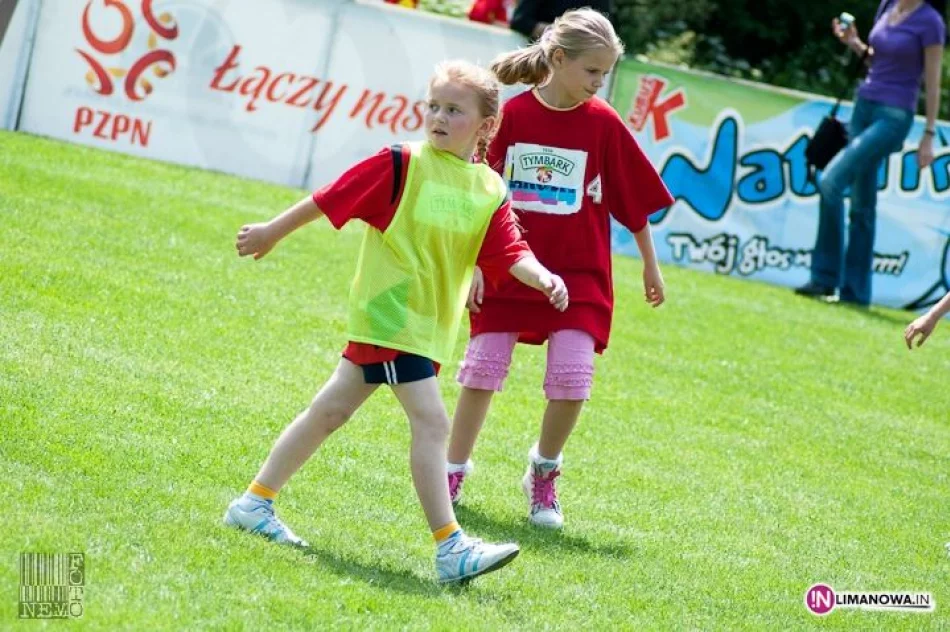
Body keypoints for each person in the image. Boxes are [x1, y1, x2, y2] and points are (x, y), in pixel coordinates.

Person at [223, 60, 569, 584]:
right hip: (390, 315)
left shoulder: (488, 187)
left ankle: (254, 503)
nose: (439, 116)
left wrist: (540, 274)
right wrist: (272, 230)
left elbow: (508, 248)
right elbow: (331, 197)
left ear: (485, 125)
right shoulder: (401, 163)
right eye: (433, 105)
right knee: (432, 424)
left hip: (427, 326)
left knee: (329, 412)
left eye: (454, 109)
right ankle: (450, 546)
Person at [445, 8, 673, 529]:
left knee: (572, 378)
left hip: (580, 276)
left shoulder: (604, 124)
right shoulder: (510, 118)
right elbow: (478, 193)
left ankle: (543, 475)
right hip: (508, 268)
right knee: (482, 371)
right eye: (593, 72)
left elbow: (632, 200)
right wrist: (476, 263)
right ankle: (452, 469)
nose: (600, 83)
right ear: (559, 59)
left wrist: (650, 266)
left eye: (606, 74)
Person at [796, 0, 946, 306]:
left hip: (894, 116)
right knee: (863, 206)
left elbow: (932, 82)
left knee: (831, 182)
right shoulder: (888, 6)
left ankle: (825, 278)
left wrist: (928, 134)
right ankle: (855, 293)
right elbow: (879, 61)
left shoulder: (931, 21)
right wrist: (854, 43)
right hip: (863, 105)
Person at [509, 0, 612, 40]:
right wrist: (562, 33)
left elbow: (601, 31)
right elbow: (519, 21)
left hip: (578, 61)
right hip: (537, 57)